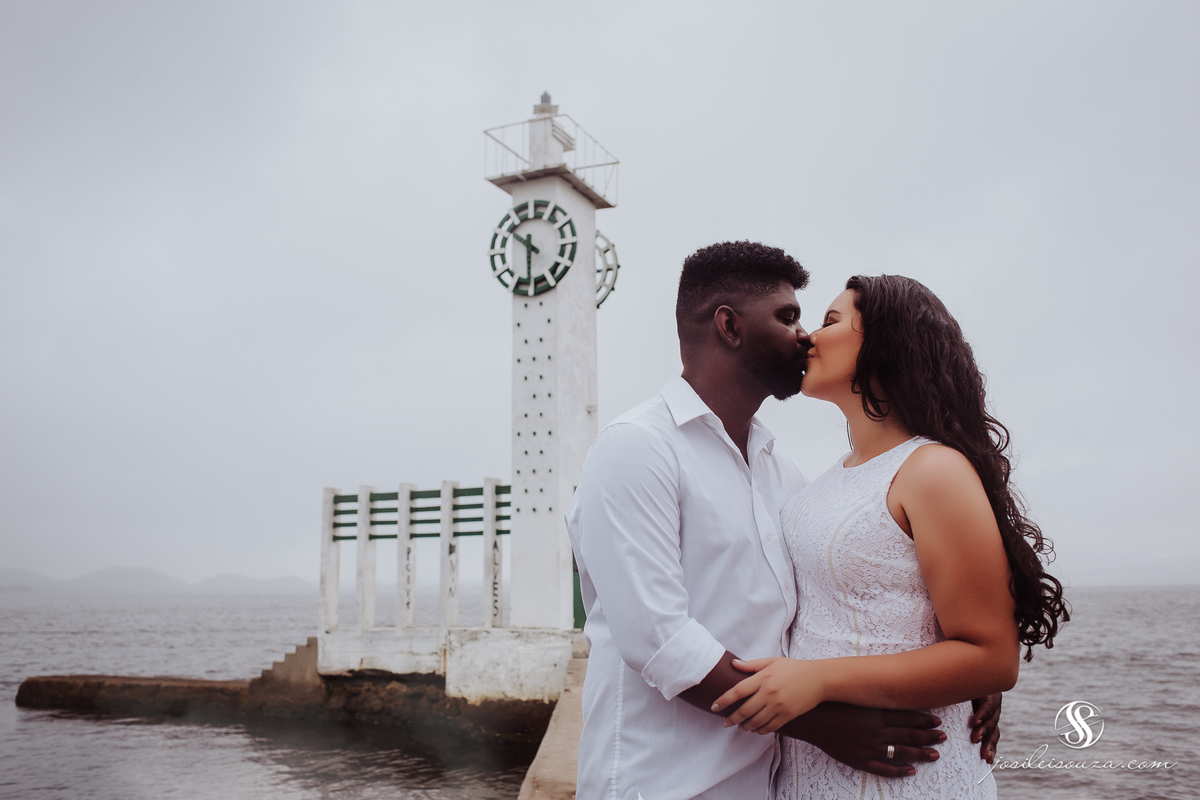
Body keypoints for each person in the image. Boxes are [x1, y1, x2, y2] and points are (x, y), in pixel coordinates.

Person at [565, 245, 1000, 800]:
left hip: (771, 780)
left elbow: (832, 603)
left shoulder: (783, 473)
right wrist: (817, 724)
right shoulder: (638, 448)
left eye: (816, 319)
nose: (805, 336)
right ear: (729, 326)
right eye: (789, 317)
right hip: (663, 780)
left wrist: (960, 675)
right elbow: (659, 639)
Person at [710, 275, 1069, 798]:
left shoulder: (933, 470)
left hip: (905, 774)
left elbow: (992, 656)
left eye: (831, 321)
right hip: (812, 771)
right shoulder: (827, 479)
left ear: (885, 343)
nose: (808, 336)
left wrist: (818, 680)